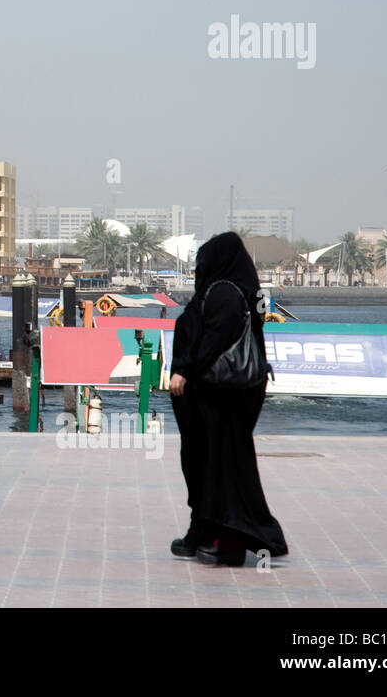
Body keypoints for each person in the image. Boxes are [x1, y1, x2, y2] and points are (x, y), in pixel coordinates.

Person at [168, 232, 288, 567]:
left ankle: (231, 539)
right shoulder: (242, 291)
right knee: (207, 461)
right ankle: (204, 529)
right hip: (226, 394)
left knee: (222, 463)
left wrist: (185, 371)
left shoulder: (223, 292)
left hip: (223, 395)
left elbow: (215, 339)